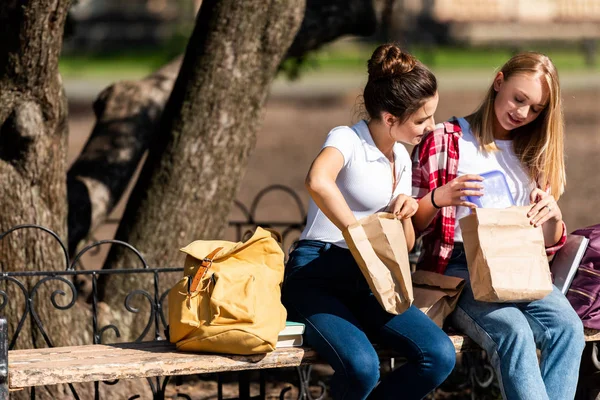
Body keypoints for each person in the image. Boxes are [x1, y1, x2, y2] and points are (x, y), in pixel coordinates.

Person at [281, 43, 456, 400]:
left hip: (372, 280)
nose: (431, 126)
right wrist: (354, 228)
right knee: (362, 367)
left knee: (438, 356)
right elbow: (318, 181)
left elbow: (404, 245)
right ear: (390, 118)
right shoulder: (347, 139)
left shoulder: (402, 161)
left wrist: (404, 211)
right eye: (422, 119)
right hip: (317, 274)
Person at [412, 52, 585, 400]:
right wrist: (440, 198)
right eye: (519, 99)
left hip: (522, 265)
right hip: (460, 267)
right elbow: (410, 226)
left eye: (536, 109)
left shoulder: (533, 150)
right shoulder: (447, 140)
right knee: (514, 332)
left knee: (569, 328)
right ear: (499, 82)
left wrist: (551, 214)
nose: (523, 113)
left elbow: (548, 243)